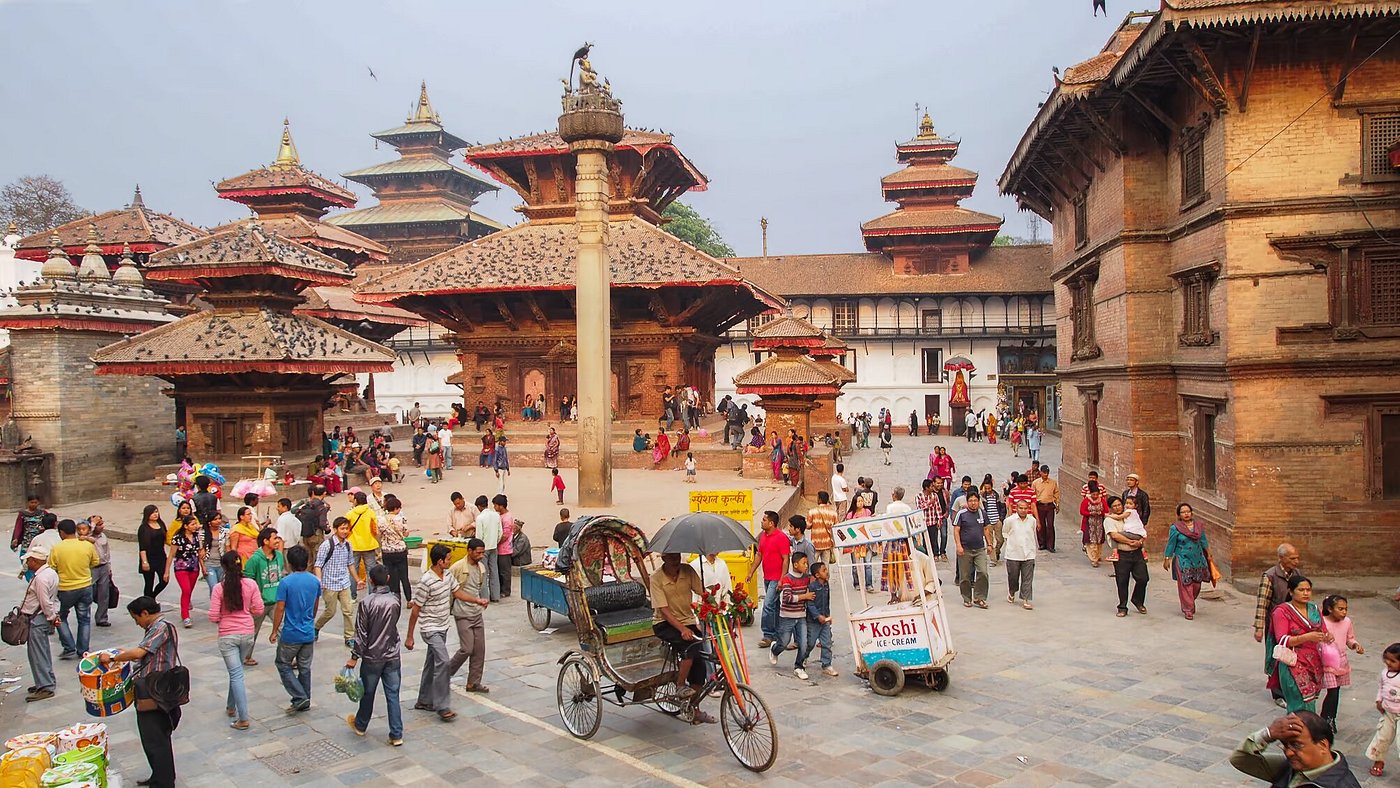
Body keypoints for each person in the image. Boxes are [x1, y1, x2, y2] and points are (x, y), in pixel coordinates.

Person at [100, 597, 182, 788]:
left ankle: (164, 782)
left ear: (145, 613)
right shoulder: (154, 628)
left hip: (156, 691)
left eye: (135, 617)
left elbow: (139, 653)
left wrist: (113, 657)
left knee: (156, 739)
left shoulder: (161, 627)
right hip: (152, 688)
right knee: (151, 738)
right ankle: (159, 776)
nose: (136, 622)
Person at [649, 552, 715, 722]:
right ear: (663, 558)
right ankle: (679, 685)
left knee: (701, 664)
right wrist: (682, 629)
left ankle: (694, 708)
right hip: (664, 623)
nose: (675, 560)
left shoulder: (687, 571)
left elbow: (703, 593)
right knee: (689, 648)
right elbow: (663, 610)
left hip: (688, 620)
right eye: (671, 557)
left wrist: (715, 603)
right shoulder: (656, 578)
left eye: (677, 556)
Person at [346, 564, 406, 745]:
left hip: (373, 655)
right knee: (393, 694)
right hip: (392, 653)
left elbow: (361, 633)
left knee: (368, 692)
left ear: (371, 581)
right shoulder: (395, 600)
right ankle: (396, 733)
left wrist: (354, 657)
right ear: (387, 579)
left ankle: (361, 724)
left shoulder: (366, 603)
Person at [1230, 711, 1363, 787]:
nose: (1288, 752)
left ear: (1323, 745)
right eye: (1285, 745)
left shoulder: (1342, 785)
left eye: (1296, 745)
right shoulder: (1290, 767)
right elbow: (1240, 760)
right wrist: (1268, 734)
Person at [408, 543, 464, 722]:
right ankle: (442, 705)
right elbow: (416, 609)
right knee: (443, 662)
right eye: (448, 559)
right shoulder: (426, 581)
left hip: (442, 626)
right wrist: (409, 636)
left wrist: (477, 600)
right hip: (430, 628)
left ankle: (424, 700)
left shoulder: (447, 575)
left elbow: (458, 593)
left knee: (431, 663)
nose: (450, 562)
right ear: (440, 561)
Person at [208, 551, 262, 730]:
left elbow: (213, 615)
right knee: (236, 671)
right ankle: (231, 706)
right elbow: (259, 609)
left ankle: (243, 717)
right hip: (247, 633)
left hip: (228, 635)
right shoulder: (250, 584)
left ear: (224, 567)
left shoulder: (219, 588)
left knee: (236, 674)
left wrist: (223, 617)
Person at [1270, 575, 1332, 713]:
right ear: (1291, 592)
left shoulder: (1314, 609)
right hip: (1293, 663)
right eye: (1301, 590)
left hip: (1314, 662)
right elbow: (1282, 639)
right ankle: (1297, 730)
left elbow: (1323, 630)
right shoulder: (1282, 611)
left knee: (1310, 703)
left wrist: (1327, 636)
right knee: (1298, 702)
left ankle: (1308, 731)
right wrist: (1306, 637)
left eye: (1308, 590)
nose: (1306, 593)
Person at [268, 544, 319, 713]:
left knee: (283, 663)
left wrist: (275, 630)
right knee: (305, 667)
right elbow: (315, 606)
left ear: (289, 563)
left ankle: (299, 696)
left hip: (291, 632)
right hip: (308, 631)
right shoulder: (314, 581)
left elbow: (280, 608)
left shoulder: (286, 582)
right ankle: (305, 698)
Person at [1256, 543, 1303, 706]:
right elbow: (1262, 603)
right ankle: (1278, 693)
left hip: (1294, 623)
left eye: (1297, 558)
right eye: (1292, 558)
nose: (1296, 561)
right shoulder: (1270, 576)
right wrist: (1259, 628)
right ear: (1281, 558)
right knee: (1276, 656)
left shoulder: (1297, 574)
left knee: (1291, 656)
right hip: (1275, 624)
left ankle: (1290, 687)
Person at [48, 518, 98, 660]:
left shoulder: (57, 548)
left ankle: (69, 646)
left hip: (65, 588)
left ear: (62, 533)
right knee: (84, 619)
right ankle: (83, 650)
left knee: (60, 617)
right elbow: (95, 561)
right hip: (85, 586)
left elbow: (51, 567)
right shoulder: (87, 545)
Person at [447, 538, 491, 694]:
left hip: (476, 613)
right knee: (467, 648)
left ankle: (473, 682)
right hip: (462, 613)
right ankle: (445, 675)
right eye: (478, 552)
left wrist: (484, 601)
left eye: (482, 552)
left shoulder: (481, 568)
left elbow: (481, 587)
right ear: (469, 551)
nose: (481, 555)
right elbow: (451, 591)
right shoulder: (457, 568)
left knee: (479, 650)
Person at [19, 545, 60, 701]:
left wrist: (52, 616)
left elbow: (45, 601)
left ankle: (45, 686)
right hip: (42, 617)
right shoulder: (50, 573)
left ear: (35, 561)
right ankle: (44, 681)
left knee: (37, 653)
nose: (27, 563)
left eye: (29, 560)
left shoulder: (41, 578)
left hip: (37, 618)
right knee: (41, 651)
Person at [1319, 594, 1364, 734]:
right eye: (1340, 609)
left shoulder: (1347, 622)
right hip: (1326, 661)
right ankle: (1325, 718)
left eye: (1345, 609)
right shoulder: (1321, 622)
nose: (1344, 612)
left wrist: (1355, 645)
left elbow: (1349, 639)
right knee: (1332, 690)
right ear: (1330, 608)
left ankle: (1330, 717)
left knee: (1336, 691)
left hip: (1341, 661)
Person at [747, 510, 790, 649]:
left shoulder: (782, 538)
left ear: (771, 523)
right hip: (767, 576)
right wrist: (751, 572)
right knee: (774, 606)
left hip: (777, 578)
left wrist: (782, 579)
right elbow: (759, 555)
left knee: (767, 605)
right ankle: (778, 632)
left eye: (764, 520)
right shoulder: (763, 537)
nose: (762, 522)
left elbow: (785, 559)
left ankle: (767, 634)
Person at [314, 517, 357, 647]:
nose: (345, 531)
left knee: (348, 610)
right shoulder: (327, 545)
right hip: (330, 583)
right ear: (335, 529)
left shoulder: (348, 545)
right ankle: (316, 627)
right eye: (342, 528)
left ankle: (349, 636)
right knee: (330, 612)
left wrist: (357, 579)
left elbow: (350, 563)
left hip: (344, 582)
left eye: (346, 528)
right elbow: (318, 565)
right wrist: (319, 581)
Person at [770, 552, 814, 680]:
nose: (806, 566)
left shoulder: (806, 578)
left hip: (801, 616)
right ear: (795, 564)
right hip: (787, 616)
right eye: (804, 563)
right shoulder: (787, 579)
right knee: (784, 642)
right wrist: (804, 597)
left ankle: (799, 667)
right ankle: (774, 649)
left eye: (806, 563)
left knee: (803, 643)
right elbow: (787, 598)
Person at [244, 527, 285, 663]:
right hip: (259, 603)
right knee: (252, 631)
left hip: (276, 601)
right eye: (275, 538)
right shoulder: (254, 560)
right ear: (265, 541)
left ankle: (285, 657)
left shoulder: (279, 556)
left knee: (281, 629)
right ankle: (245, 656)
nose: (277, 541)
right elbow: (248, 582)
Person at [1163, 503, 1211, 620]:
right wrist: (1167, 558)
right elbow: (1171, 544)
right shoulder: (1176, 528)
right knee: (1186, 584)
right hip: (1183, 559)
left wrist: (1209, 554)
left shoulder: (1199, 526)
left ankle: (1189, 602)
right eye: (1183, 512)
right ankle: (1188, 609)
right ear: (1179, 515)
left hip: (1198, 559)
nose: (1186, 514)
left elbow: (1203, 541)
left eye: (1188, 511)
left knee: (1197, 584)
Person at [1104, 496, 1149, 617]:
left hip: (1137, 553)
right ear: (1111, 508)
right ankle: (1122, 607)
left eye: (1120, 504)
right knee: (1122, 581)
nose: (1118, 507)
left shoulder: (1129, 514)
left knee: (1143, 578)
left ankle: (1137, 600)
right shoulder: (1110, 520)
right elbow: (1115, 536)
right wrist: (1130, 542)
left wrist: (1139, 542)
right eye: (1115, 506)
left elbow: (1139, 530)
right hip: (1122, 554)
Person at [1367, 643, 1400, 777]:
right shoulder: (1384, 674)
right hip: (1388, 713)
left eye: (1393, 661)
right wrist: (1379, 700)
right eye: (1386, 659)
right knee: (1382, 737)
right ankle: (1378, 761)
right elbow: (1381, 687)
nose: (1388, 663)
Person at [953, 492, 990, 608]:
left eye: (975, 500)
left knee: (983, 572)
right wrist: (958, 545)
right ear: (967, 501)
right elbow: (956, 530)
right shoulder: (962, 514)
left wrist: (989, 544)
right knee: (965, 576)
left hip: (979, 549)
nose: (973, 503)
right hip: (965, 549)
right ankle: (967, 598)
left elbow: (986, 529)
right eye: (971, 501)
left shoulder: (982, 513)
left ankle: (980, 597)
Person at [802, 561, 838, 677]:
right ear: (817, 575)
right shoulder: (812, 587)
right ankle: (803, 657)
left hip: (825, 620)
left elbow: (827, 602)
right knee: (810, 643)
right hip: (813, 621)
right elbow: (810, 604)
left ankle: (826, 664)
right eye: (824, 570)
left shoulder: (826, 585)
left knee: (826, 642)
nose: (827, 572)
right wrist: (818, 616)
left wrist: (827, 616)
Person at [170, 517, 206, 627]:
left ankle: (186, 603)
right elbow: (171, 554)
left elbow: (200, 554)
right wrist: (166, 571)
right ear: (185, 526)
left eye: (196, 524)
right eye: (192, 524)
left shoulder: (197, 537)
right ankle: (185, 615)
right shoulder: (177, 538)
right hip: (181, 567)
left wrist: (203, 568)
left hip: (194, 567)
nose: (195, 526)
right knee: (186, 589)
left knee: (189, 590)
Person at [1001, 498, 1037, 610]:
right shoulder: (1010, 520)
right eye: (1021, 508)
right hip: (1013, 554)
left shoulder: (1032, 520)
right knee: (1013, 577)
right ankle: (1012, 592)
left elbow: (1032, 533)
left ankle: (1026, 599)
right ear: (1016, 508)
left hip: (1029, 553)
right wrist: (1011, 543)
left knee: (1027, 578)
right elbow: (1005, 532)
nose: (1023, 510)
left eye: (1025, 508)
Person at [379, 495, 412, 599]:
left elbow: (378, 534)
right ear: (396, 508)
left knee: (392, 577)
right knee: (404, 576)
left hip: (387, 552)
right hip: (400, 551)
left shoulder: (381, 519)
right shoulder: (401, 519)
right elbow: (406, 534)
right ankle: (409, 599)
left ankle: (395, 597)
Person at [346, 491, 380, 590]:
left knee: (353, 571)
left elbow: (345, 528)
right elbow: (375, 529)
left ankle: (352, 595)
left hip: (354, 545)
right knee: (371, 571)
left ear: (355, 500)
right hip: (369, 545)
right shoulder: (371, 513)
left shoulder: (350, 513)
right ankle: (371, 593)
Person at [138, 505, 171, 601]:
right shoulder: (143, 528)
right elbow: (142, 547)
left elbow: (166, 539)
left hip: (160, 556)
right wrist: (144, 562)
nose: (155, 514)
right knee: (149, 583)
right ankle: (147, 602)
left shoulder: (161, 524)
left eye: (156, 512)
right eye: (153, 512)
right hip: (148, 557)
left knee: (164, 580)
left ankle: (152, 596)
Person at [85, 515, 113, 627]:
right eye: (98, 524)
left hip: (103, 566)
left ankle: (102, 617)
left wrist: (109, 566)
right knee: (87, 593)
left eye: (102, 524)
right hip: (91, 568)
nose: (101, 526)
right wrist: (92, 524)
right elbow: (84, 535)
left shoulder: (103, 536)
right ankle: (85, 616)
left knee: (104, 593)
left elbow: (107, 552)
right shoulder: (86, 537)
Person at [475, 495, 503, 602]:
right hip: (493, 546)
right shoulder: (496, 516)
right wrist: (495, 542)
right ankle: (495, 596)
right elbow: (500, 532)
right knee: (494, 571)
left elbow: (479, 536)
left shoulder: (480, 518)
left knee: (483, 573)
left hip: (483, 548)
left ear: (479, 507)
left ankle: (485, 597)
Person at [11, 495, 48, 572]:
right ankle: (30, 579)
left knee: (39, 560)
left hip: (39, 541)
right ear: (28, 502)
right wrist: (16, 538)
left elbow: (50, 521)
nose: (33, 504)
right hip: (27, 541)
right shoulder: (22, 514)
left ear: (39, 502)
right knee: (26, 561)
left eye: (35, 502)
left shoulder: (43, 513)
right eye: (32, 502)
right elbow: (18, 527)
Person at [1032, 466, 1060, 553]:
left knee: (1050, 525)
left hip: (1050, 505)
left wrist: (1057, 504)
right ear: (1040, 473)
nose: (1046, 474)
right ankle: (1042, 543)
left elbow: (1056, 493)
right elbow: (1033, 495)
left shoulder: (1053, 483)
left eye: (1047, 473)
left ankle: (1050, 545)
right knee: (1041, 525)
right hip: (1040, 505)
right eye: (1044, 473)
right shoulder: (1036, 483)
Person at [807, 491, 838, 566]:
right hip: (827, 543)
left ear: (820, 500)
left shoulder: (812, 512)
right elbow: (836, 528)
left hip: (815, 543)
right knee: (825, 566)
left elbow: (808, 526)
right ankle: (825, 578)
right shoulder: (833, 513)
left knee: (812, 565)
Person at [1080, 482, 1107, 567]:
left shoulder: (1102, 500)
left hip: (1099, 523)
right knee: (1092, 541)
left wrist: (1100, 513)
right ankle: (1093, 558)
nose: (1095, 496)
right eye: (1093, 494)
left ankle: (1097, 555)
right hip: (1089, 523)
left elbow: (1106, 510)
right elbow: (1082, 511)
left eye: (1096, 494)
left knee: (1099, 540)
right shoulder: (1086, 501)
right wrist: (1090, 513)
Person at [494, 494, 516, 597]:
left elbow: (505, 535)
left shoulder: (507, 518)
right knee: (500, 571)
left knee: (505, 572)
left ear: (501, 506)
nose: (494, 507)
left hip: (505, 549)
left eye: (495, 505)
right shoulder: (500, 516)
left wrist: (496, 542)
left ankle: (506, 591)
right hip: (499, 549)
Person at [979, 480, 1004, 567]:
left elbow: (1002, 506)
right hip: (988, 522)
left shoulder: (997, 496)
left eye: (989, 488)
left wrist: (1001, 518)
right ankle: (993, 559)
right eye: (986, 488)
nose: (987, 490)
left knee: (1000, 539)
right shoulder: (982, 497)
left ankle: (997, 551)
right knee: (989, 541)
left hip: (997, 520)